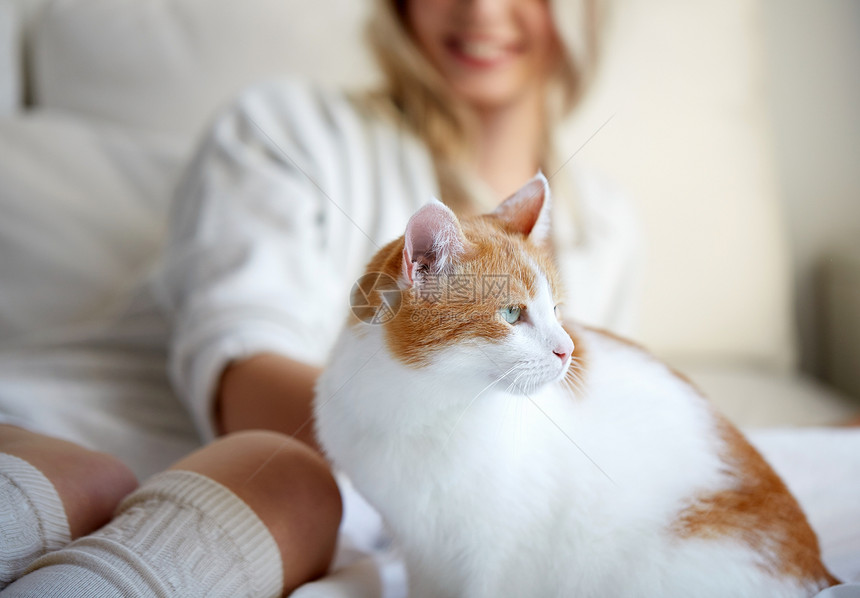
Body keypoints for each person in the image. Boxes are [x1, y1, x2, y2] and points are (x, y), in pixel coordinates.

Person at [0, 0, 638, 596]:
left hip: (283, 519)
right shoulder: (283, 126)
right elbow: (240, 369)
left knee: (298, 495)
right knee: (291, 483)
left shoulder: (604, 225)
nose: (482, 10)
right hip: (78, 434)